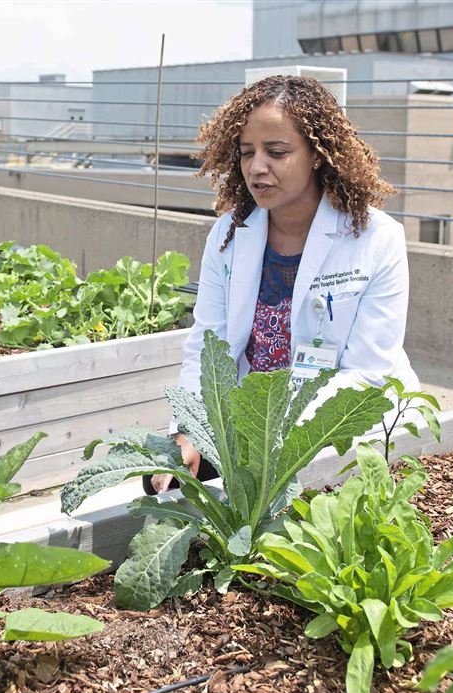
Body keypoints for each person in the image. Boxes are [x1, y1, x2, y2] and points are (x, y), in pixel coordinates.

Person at [150, 75, 419, 493]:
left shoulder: (376, 239)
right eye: (246, 153)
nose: (258, 167)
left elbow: (368, 374)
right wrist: (189, 430)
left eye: (276, 152)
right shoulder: (228, 235)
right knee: (165, 483)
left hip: (336, 428)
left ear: (316, 154)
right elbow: (207, 347)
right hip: (249, 422)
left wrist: (274, 429)